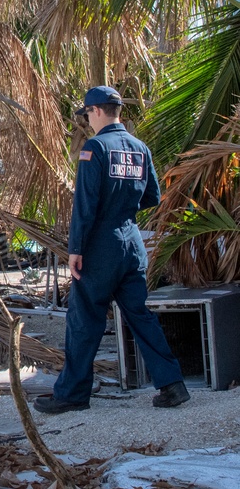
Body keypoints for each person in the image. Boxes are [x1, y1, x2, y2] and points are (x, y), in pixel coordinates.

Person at [34, 86, 191, 414]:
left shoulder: (95, 148)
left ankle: (73, 394)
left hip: (100, 248)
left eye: (87, 114)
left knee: (84, 319)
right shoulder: (139, 148)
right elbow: (151, 196)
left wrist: (76, 248)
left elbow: (85, 204)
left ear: (96, 112)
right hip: (131, 244)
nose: (87, 121)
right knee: (140, 316)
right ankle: (172, 385)